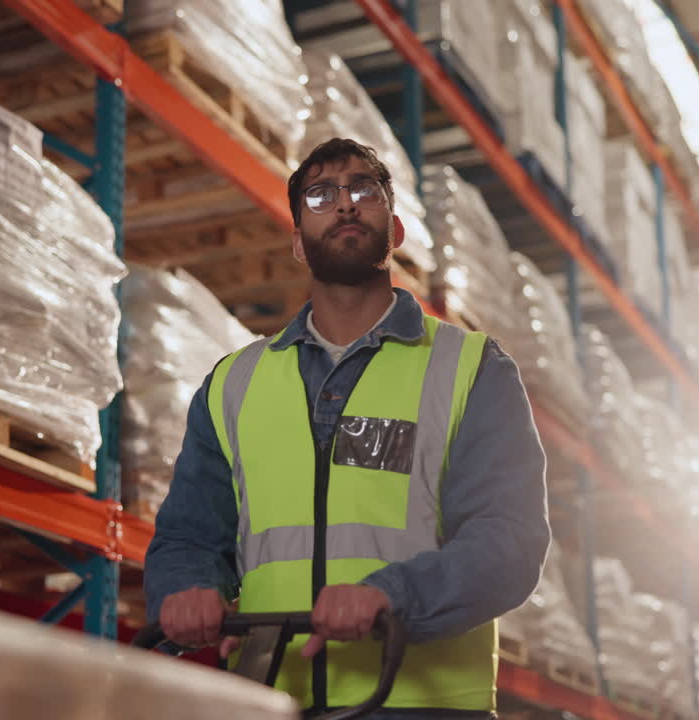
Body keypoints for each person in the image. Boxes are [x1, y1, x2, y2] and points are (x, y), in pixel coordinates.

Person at [144, 137, 550, 718]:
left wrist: (393, 597)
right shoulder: (232, 384)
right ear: (297, 246)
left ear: (396, 229)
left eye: (365, 190)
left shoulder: (471, 369)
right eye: (320, 195)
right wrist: (183, 589)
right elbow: (188, 535)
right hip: (270, 698)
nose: (345, 204)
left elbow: (509, 541)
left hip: (419, 704)